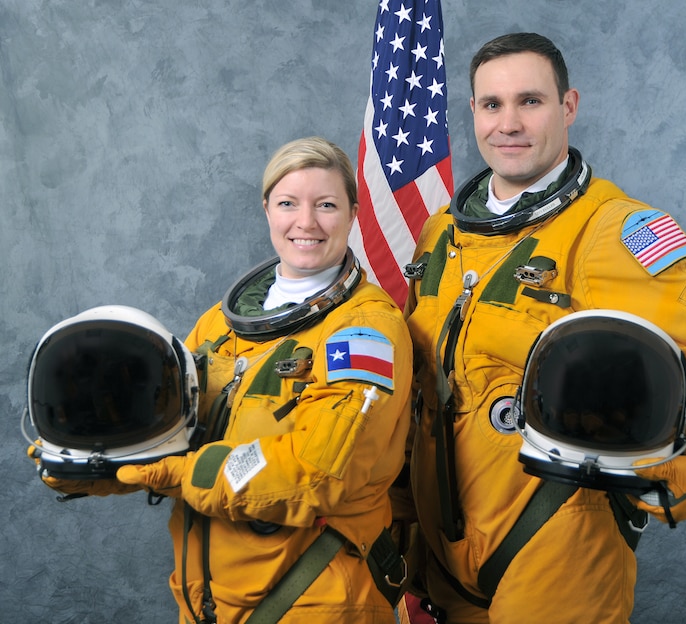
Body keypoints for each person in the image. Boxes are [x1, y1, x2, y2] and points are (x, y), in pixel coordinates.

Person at [402, 33, 686, 623]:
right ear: (472, 112)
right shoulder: (441, 236)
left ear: (568, 106)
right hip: (442, 551)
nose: (510, 123)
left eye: (531, 101)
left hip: (558, 539)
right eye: (493, 105)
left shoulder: (616, 232)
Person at [32, 137, 413, 623]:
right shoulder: (218, 325)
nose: (306, 223)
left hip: (316, 598)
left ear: (354, 213)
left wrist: (188, 473)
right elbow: (168, 430)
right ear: (267, 209)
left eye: (327, 205)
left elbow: (321, 469)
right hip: (206, 600)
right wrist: (89, 455)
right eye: (288, 203)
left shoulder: (365, 330)